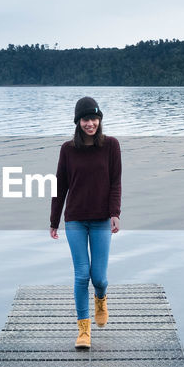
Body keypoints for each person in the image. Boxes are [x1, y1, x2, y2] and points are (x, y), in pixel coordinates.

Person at [49, 96, 121, 349]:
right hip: (76, 220)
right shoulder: (68, 150)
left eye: (94, 118)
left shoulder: (111, 146)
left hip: (102, 220)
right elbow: (60, 186)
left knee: (98, 277)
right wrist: (54, 220)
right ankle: (83, 331)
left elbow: (115, 182)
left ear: (100, 120)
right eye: (85, 119)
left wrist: (115, 213)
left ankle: (101, 298)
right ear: (78, 122)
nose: (90, 124)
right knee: (81, 275)